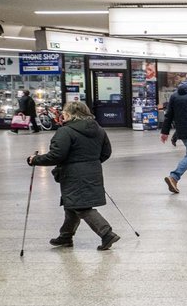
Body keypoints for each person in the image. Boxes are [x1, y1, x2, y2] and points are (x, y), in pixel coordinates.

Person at [27, 101, 119, 250]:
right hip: (92, 171)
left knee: (82, 207)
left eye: (64, 112)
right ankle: (66, 236)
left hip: (73, 175)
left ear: (69, 114)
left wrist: (35, 160)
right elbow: (106, 153)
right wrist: (91, 163)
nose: (62, 114)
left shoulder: (66, 131)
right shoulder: (99, 130)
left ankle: (107, 234)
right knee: (72, 205)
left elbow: (56, 155)